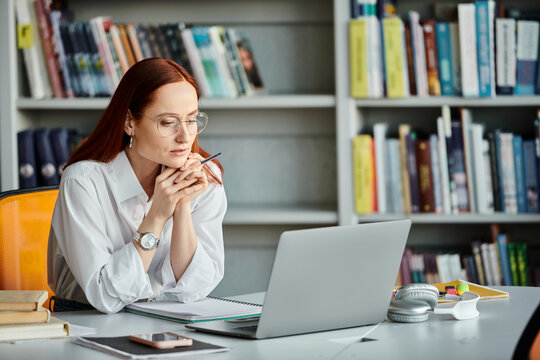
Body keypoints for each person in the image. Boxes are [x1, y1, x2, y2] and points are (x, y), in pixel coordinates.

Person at [47, 58, 226, 313]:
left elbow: (195, 288)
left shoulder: (204, 178)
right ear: (130, 122)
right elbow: (105, 297)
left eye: (192, 119)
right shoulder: (83, 182)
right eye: (167, 122)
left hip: (162, 320)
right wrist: (157, 215)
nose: (185, 136)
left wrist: (182, 206)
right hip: (86, 322)